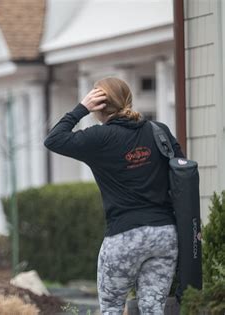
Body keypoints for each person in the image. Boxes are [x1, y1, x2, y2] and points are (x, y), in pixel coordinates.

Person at [44, 77, 183, 314]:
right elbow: (180, 173)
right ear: (128, 99)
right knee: (153, 309)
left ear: (98, 106)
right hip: (164, 235)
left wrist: (81, 109)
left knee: (111, 309)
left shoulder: (98, 138)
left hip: (124, 236)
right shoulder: (159, 131)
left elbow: (54, 139)